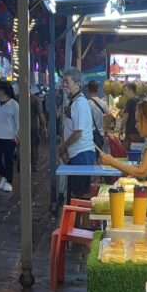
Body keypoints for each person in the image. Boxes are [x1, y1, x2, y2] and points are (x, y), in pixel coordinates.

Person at [98, 98, 147, 180]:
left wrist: (112, 162)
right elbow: (143, 169)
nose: (136, 126)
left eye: (137, 121)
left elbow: (141, 172)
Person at [58, 68, 95, 198]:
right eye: (63, 81)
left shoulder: (79, 103)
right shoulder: (74, 102)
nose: (64, 85)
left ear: (77, 84)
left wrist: (62, 147)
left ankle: (80, 219)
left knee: (80, 196)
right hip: (77, 154)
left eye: (67, 81)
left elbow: (78, 132)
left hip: (82, 155)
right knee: (77, 194)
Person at [87, 80, 109, 151]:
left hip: (90, 135)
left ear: (88, 89)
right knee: (100, 155)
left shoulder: (86, 104)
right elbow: (110, 115)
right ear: (97, 89)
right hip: (101, 134)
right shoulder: (103, 103)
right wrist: (106, 129)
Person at [29, 84, 48, 168]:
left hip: (20, 128)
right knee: (34, 146)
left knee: (21, 146)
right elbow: (40, 114)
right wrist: (44, 127)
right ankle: (33, 164)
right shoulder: (34, 99)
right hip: (33, 126)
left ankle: (21, 163)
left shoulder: (17, 98)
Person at [120, 81, 141, 152]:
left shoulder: (130, 101)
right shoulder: (140, 100)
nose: (124, 93)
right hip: (139, 133)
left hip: (131, 133)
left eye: (125, 90)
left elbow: (125, 117)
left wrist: (120, 128)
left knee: (127, 152)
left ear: (131, 90)